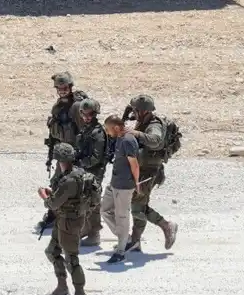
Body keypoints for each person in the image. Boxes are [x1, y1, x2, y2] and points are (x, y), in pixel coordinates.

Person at [38, 142, 90, 295]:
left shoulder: (69, 180)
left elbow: (52, 204)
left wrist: (44, 196)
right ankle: (62, 287)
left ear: (60, 160)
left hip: (69, 222)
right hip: (65, 220)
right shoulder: (77, 173)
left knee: (71, 258)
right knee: (52, 251)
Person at [124, 95, 178, 252]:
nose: (133, 112)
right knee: (138, 204)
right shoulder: (143, 121)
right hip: (141, 170)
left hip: (148, 172)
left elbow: (155, 140)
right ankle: (135, 241)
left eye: (135, 110)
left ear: (142, 111)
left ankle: (166, 225)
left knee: (137, 207)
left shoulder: (154, 125)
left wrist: (136, 133)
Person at [37, 71, 89, 232]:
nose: (62, 91)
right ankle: (54, 214)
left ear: (70, 87)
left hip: (74, 153)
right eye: (59, 88)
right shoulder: (59, 106)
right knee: (57, 182)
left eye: (65, 88)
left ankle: (75, 219)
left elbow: (84, 131)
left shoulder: (77, 107)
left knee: (69, 185)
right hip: (63, 151)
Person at [100, 114, 139, 264]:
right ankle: (127, 239)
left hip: (124, 186)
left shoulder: (128, 140)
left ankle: (121, 252)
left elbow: (134, 164)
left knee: (122, 217)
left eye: (108, 129)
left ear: (116, 128)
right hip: (115, 183)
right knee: (105, 210)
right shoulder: (119, 138)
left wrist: (137, 183)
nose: (107, 132)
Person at [74, 98, 112, 247]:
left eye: (89, 114)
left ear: (95, 114)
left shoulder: (98, 133)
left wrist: (80, 163)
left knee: (93, 201)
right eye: (83, 114)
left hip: (94, 171)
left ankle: (94, 233)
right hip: (85, 170)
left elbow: (96, 158)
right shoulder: (87, 129)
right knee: (84, 200)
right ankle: (86, 229)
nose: (86, 117)